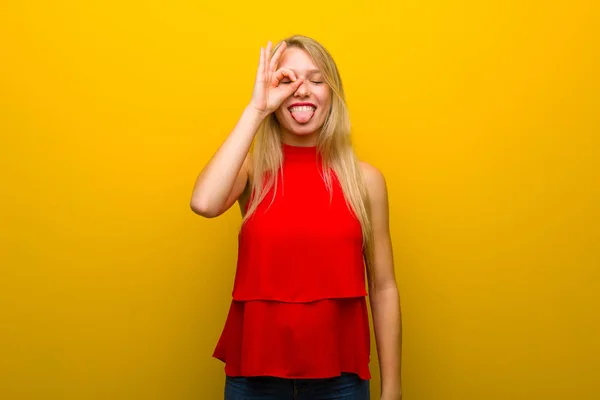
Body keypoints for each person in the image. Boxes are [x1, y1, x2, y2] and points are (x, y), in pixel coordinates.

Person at [190, 34, 402, 400]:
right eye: (287, 81)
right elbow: (205, 203)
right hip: (253, 379)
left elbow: (383, 288)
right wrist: (256, 109)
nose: (302, 90)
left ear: (332, 94)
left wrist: (393, 389)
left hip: (342, 380)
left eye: (317, 80)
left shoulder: (365, 180)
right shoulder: (252, 171)